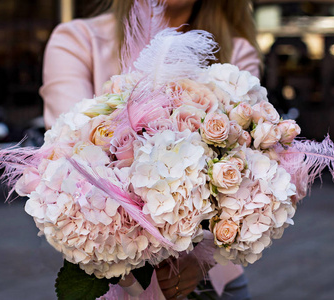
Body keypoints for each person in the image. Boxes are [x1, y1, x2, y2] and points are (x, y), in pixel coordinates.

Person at [40, 0, 261, 299]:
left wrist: (205, 255)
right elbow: (68, 157)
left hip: (208, 281)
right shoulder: (77, 41)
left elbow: (254, 164)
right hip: (115, 275)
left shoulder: (235, 51)